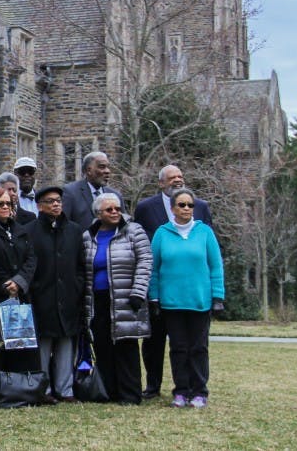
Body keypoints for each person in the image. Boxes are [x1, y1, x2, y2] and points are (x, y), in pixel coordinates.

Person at [134, 164, 213, 400]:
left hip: (194, 293)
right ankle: (153, 385)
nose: (177, 180)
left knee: (194, 345)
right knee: (154, 342)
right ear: (161, 183)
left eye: (180, 176)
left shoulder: (201, 208)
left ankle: (194, 388)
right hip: (162, 288)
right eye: (172, 178)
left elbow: (211, 252)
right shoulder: (146, 208)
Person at [148, 188, 224, 409]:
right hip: (172, 303)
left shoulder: (205, 233)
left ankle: (199, 391)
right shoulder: (162, 234)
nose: (187, 209)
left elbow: (215, 265)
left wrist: (218, 296)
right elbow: (154, 269)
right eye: (181, 205)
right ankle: (181, 391)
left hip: (199, 301)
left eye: (190, 205)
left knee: (198, 348)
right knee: (178, 349)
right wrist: (154, 297)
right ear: (172, 209)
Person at [82, 192, 152, 404]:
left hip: (126, 297)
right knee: (102, 346)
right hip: (98, 299)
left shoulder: (133, 231)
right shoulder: (88, 236)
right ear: (98, 213)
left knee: (126, 346)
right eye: (109, 210)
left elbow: (145, 261)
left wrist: (138, 292)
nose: (115, 212)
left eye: (117, 209)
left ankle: (130, 394)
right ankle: (108, 391)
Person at [21, 185, 86, 403]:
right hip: (42, 296)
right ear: (40, 206)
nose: (56, 204)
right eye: (50, 201)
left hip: (68, 296)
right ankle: (44, 389)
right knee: (43, 345)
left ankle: (65, 389)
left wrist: (77, 286)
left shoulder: (75, 230)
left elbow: (80, 265)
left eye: (58, 200)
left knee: (66, 345)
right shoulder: (29, 230)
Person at [0, 187, 39, 375]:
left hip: (19, 295)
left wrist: (19, 282)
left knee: (21, 342)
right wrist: (6, 283)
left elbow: (31, 258)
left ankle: (22, 384)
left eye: (9, 203)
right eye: (0, 203)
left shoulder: (20, 230)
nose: (5, 207)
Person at [63, 151, 125, 231]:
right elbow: (63, 226)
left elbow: (124, 225)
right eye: (102, 167)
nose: (107, 171)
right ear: (89, 170)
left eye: (108, 167)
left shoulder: (115, 195)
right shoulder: (70, 192)